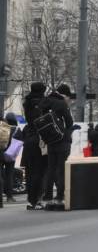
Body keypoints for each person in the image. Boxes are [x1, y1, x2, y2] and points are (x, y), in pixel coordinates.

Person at [39, 84, 75, 209]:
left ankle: (47, 197)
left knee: (50, 169)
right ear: (64, 95)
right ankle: (60, 197)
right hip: (62, 140)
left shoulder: (45, 102)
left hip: (50, 141)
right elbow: (69, 122)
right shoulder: (61, 103)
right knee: (61, 170)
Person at [21, 82, 47, 210]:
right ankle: (37, 199)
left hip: (29, 138)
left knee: (30, 172)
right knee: (40, 171)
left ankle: (30, 199)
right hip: (39, 139)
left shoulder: (27, 102)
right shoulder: (43, 103)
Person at [1, 112, 19, 204]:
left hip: (1, 152)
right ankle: (9, 197)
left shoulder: (3, 128)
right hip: (11, 155)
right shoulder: (17, 129)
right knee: (9, 175)